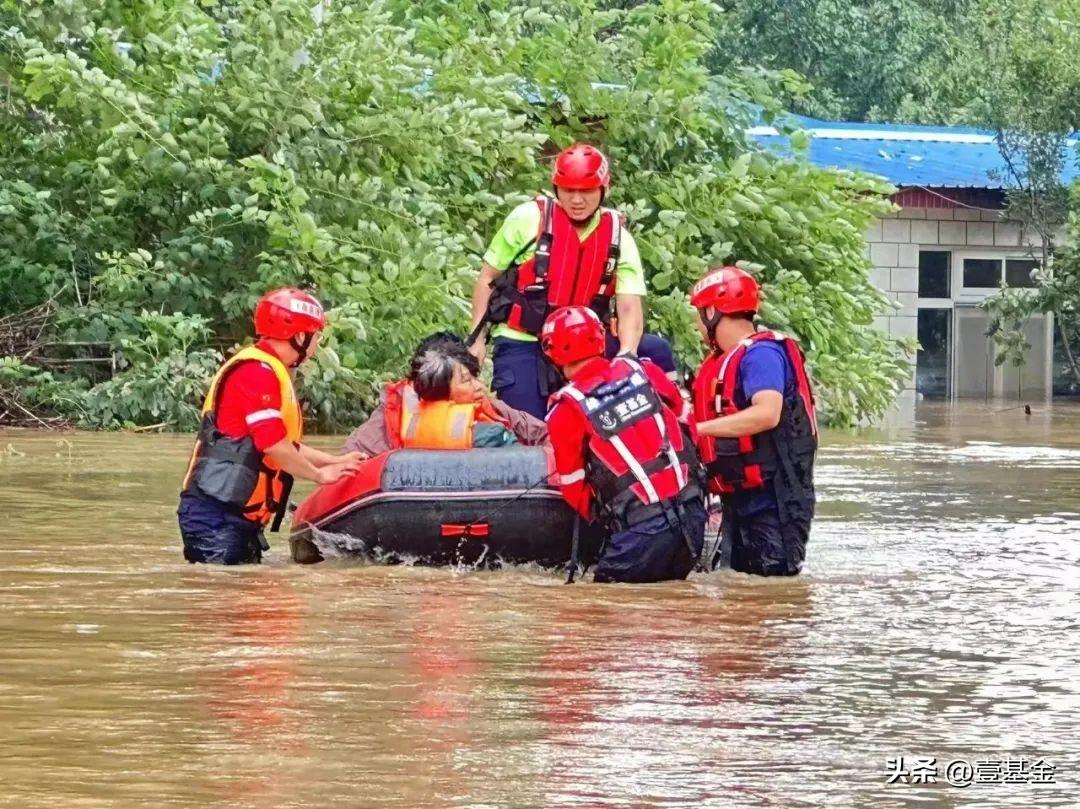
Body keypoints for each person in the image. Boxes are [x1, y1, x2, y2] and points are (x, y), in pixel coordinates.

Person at [178, 288, 362, 565]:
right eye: (316, 337)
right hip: (216, 518)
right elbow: (274, 446)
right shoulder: (256, 373)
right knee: (224, 603)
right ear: (300, 336)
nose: (316, 345)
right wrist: (319, 476)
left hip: (234, 518)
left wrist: (335, 461)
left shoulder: (268, 369)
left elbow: (285, 443)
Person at [467, 143, 647, 419]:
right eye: (568, 190)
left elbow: (629, 305)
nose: (576, 200)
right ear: (556, 188)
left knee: (654, 353)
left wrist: (627, 354)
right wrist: (476, 340)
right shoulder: (528, 218)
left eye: (586, 191)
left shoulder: (618, 236)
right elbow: (487, 278)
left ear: (603, 190)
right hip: (523, 339)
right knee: (527, 429)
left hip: (584, 346)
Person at [541, 306, 706, 584]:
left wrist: (610, 519)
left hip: (640, 533)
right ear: (601, 337)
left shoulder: (565, 410)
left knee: (603, 617)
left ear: (553, 355)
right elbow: (687, 423)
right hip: (693, 516)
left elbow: (574, 487)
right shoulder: (642, 368)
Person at [688, 266, 818, 576]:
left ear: (711, 312)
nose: (697, 326)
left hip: (775, 501)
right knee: (739, 588)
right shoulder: (728, 360)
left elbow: (767, 412)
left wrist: (698, 429)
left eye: (698, 316)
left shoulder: (762, 355)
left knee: (770, 590)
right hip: (742, 496)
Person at [344, 332, 548, 456]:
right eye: (467, 380)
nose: (480, 387)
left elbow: (544, 434)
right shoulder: (387, 421)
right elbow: (351, 465)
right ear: (435, 386)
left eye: (475, 377)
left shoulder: (487, 406)